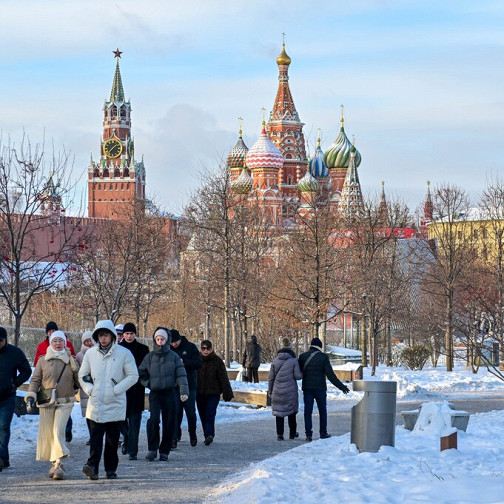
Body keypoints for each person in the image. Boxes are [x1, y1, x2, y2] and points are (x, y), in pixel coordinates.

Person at [78, 320, 138, 480]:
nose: (103, 338)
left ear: (112, 336)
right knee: (95, 438)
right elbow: (82, 375)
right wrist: (90, 389)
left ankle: (110, 469)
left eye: (106, 335)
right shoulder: (90, 353)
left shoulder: (124, 353)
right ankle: (92, 467)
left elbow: (133, 375)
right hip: (96, 403)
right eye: (100, 335)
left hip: (115, 403)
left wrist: (116, 389)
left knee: (112, 440)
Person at [25, 331, 80, 480]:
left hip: (66, 401)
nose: (58, 343)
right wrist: (31, 395)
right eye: (55, 341)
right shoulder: (42, 360)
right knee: (49, 433)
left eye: (60, 341)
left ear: (65, 343)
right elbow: (35, 380)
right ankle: (53, 463)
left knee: (58, 430)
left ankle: (59, 464)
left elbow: (79, 379)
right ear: (50, 342)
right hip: (46, 401)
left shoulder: (70, 359)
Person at [138, 327, 189, 462]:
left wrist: (184, 391)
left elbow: (181, 374)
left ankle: (164, 450)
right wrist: (149, 383)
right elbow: (141, 372)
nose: (160, 341)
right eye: (158, 339)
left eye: (162, 339)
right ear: (155, 340)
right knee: (153, 420)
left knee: (169, 420)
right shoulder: (149, 357)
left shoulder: (174, 357)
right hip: (155, 393)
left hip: (169, 392)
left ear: (167, 340)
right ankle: (152, 449)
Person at [298, 337, 350, 441]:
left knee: (307, 411)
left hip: (307, 388)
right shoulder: (323, 357)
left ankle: (308, 435)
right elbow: (330, 375)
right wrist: (342, 387)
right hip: (320, 388)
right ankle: (323, 433)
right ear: (319, 347)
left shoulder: (302, 357)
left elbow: (298, 372)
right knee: (322, 411)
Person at [34, 321, 76, 443]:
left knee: (63, 415)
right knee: (50, 417)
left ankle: (66, 430)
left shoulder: (67, 344)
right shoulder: (42, 346)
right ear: (47, 333)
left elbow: (73, 362)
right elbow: (37, 363)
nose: (51, 333)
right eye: (49, 331)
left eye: (53, 330)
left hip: (64, 387)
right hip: (48, 386)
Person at [0, 327, 31, 472]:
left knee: (3, 427)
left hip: (7, 397)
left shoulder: (15, 353)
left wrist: (15, 383)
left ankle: (1, 458)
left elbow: (26, 370)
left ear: (5, 340)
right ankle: (4, 460)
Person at [119, 322, 149, 460]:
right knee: (120, 420)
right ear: (123, 335)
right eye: (127, 333)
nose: (129, 336)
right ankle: (127, 437)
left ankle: (133, 451)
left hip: (137, 389)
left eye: (131, 333)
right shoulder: (117, 348)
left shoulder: (143, 349)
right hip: (121, 389)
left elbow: (146, 368)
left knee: (135, 421)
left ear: (135, 334)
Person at [196, 340, 234, 446]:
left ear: (212, 349)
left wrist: (227, 392)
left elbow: (223, 378)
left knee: (210, 413)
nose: (206, 351)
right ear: (201, 349)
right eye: (203, 348)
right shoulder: (197, 360)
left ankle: (210, 434)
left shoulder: (217, 361)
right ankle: (206, 434)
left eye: (208, 348)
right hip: (199, 393)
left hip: (213, 393)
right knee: (202, 414)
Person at [169, 328, 201, 448]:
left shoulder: (190, 347)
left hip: (189, 386)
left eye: (175, 342)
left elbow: (198, 363)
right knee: (176, 412)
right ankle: (174, 437)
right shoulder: (168, 349)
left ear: (179, 339)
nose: (174, 344)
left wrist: (185, 362)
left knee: (190, 412)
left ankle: (192, 433)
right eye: (171, 342)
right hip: (174, 386)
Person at [268, 337, 302, 441]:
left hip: (277, 390)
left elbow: (271, 378)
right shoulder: (294, 361)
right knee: (291, 412)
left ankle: (280, 435)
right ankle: (292, 434)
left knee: (279, 412)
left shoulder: (275, 361)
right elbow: (298, 376)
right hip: (290, 391)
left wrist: (270, 391)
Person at [75, 330, 94, 445]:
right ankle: (92, 436)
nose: (89, 343)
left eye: (90, 340)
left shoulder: (98, 352)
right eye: (86, 341)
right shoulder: (79, 355)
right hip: (85, 387)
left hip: (97, 385)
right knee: (88, 413)